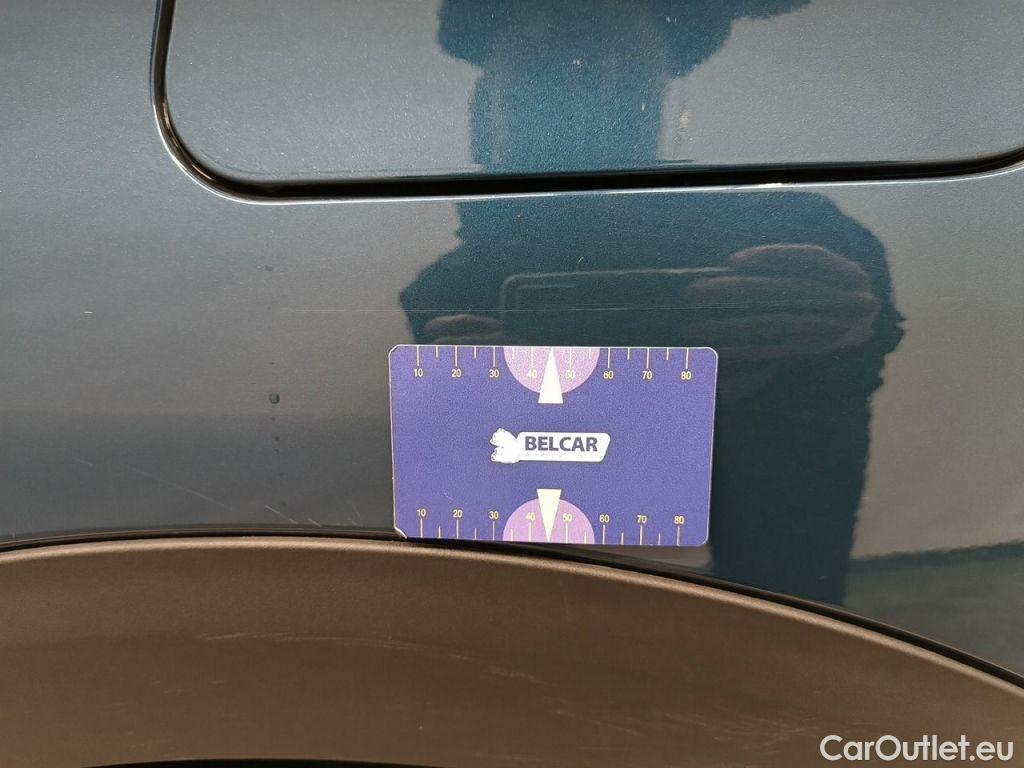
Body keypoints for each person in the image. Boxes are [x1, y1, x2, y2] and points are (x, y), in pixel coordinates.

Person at [400, 0, 903, 604]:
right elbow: (504, 509)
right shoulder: (449, 288)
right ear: (485, 110)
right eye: (547, 63)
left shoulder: (801, 237)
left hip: (745, 597)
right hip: (725, 602)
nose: (586, 87)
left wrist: (850, 336)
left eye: (619, 68)